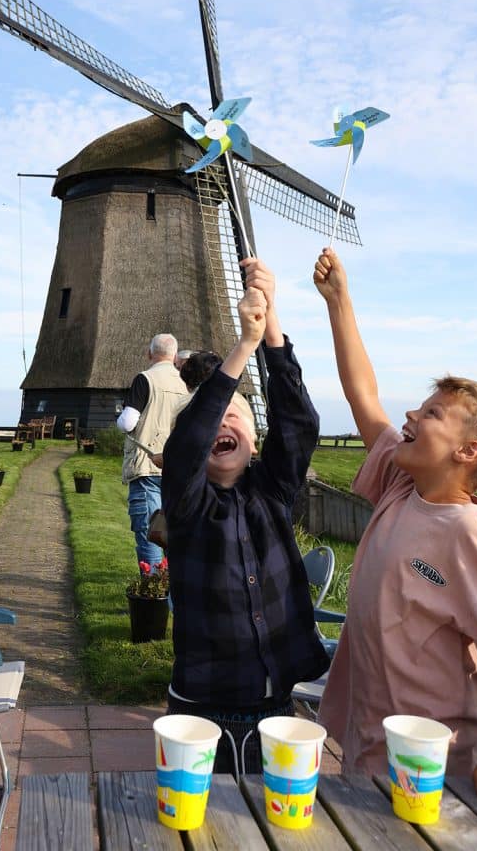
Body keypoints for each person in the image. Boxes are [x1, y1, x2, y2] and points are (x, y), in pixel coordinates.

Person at [313, 247, 477, 797]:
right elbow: (363, 395)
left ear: (467, 452)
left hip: (438, 765)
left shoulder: (468, 535)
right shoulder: (401, 482)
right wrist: (339, 302)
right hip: (369, 743)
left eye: (431, 414)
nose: (410, 417)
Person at [162, 258, 329, 776]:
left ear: (253, 440)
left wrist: (270, 324)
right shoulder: (187, 504)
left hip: (277, 708)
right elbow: (189, 440)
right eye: (214, 418)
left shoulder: (273, 489)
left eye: (234, 416)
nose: (220, 426)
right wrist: (242, 349)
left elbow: (298, 423)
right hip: (199, 710)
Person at [116, 334, 189, 570]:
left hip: (148, 466)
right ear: (175, 356)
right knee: (177, 534)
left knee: (151, 530)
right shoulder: (187, 384)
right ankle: (172, 594)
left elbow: (127, 423)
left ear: (150, 354)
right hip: (179, 470)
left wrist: (119, 420)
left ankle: (152, 594)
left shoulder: (145, 379)